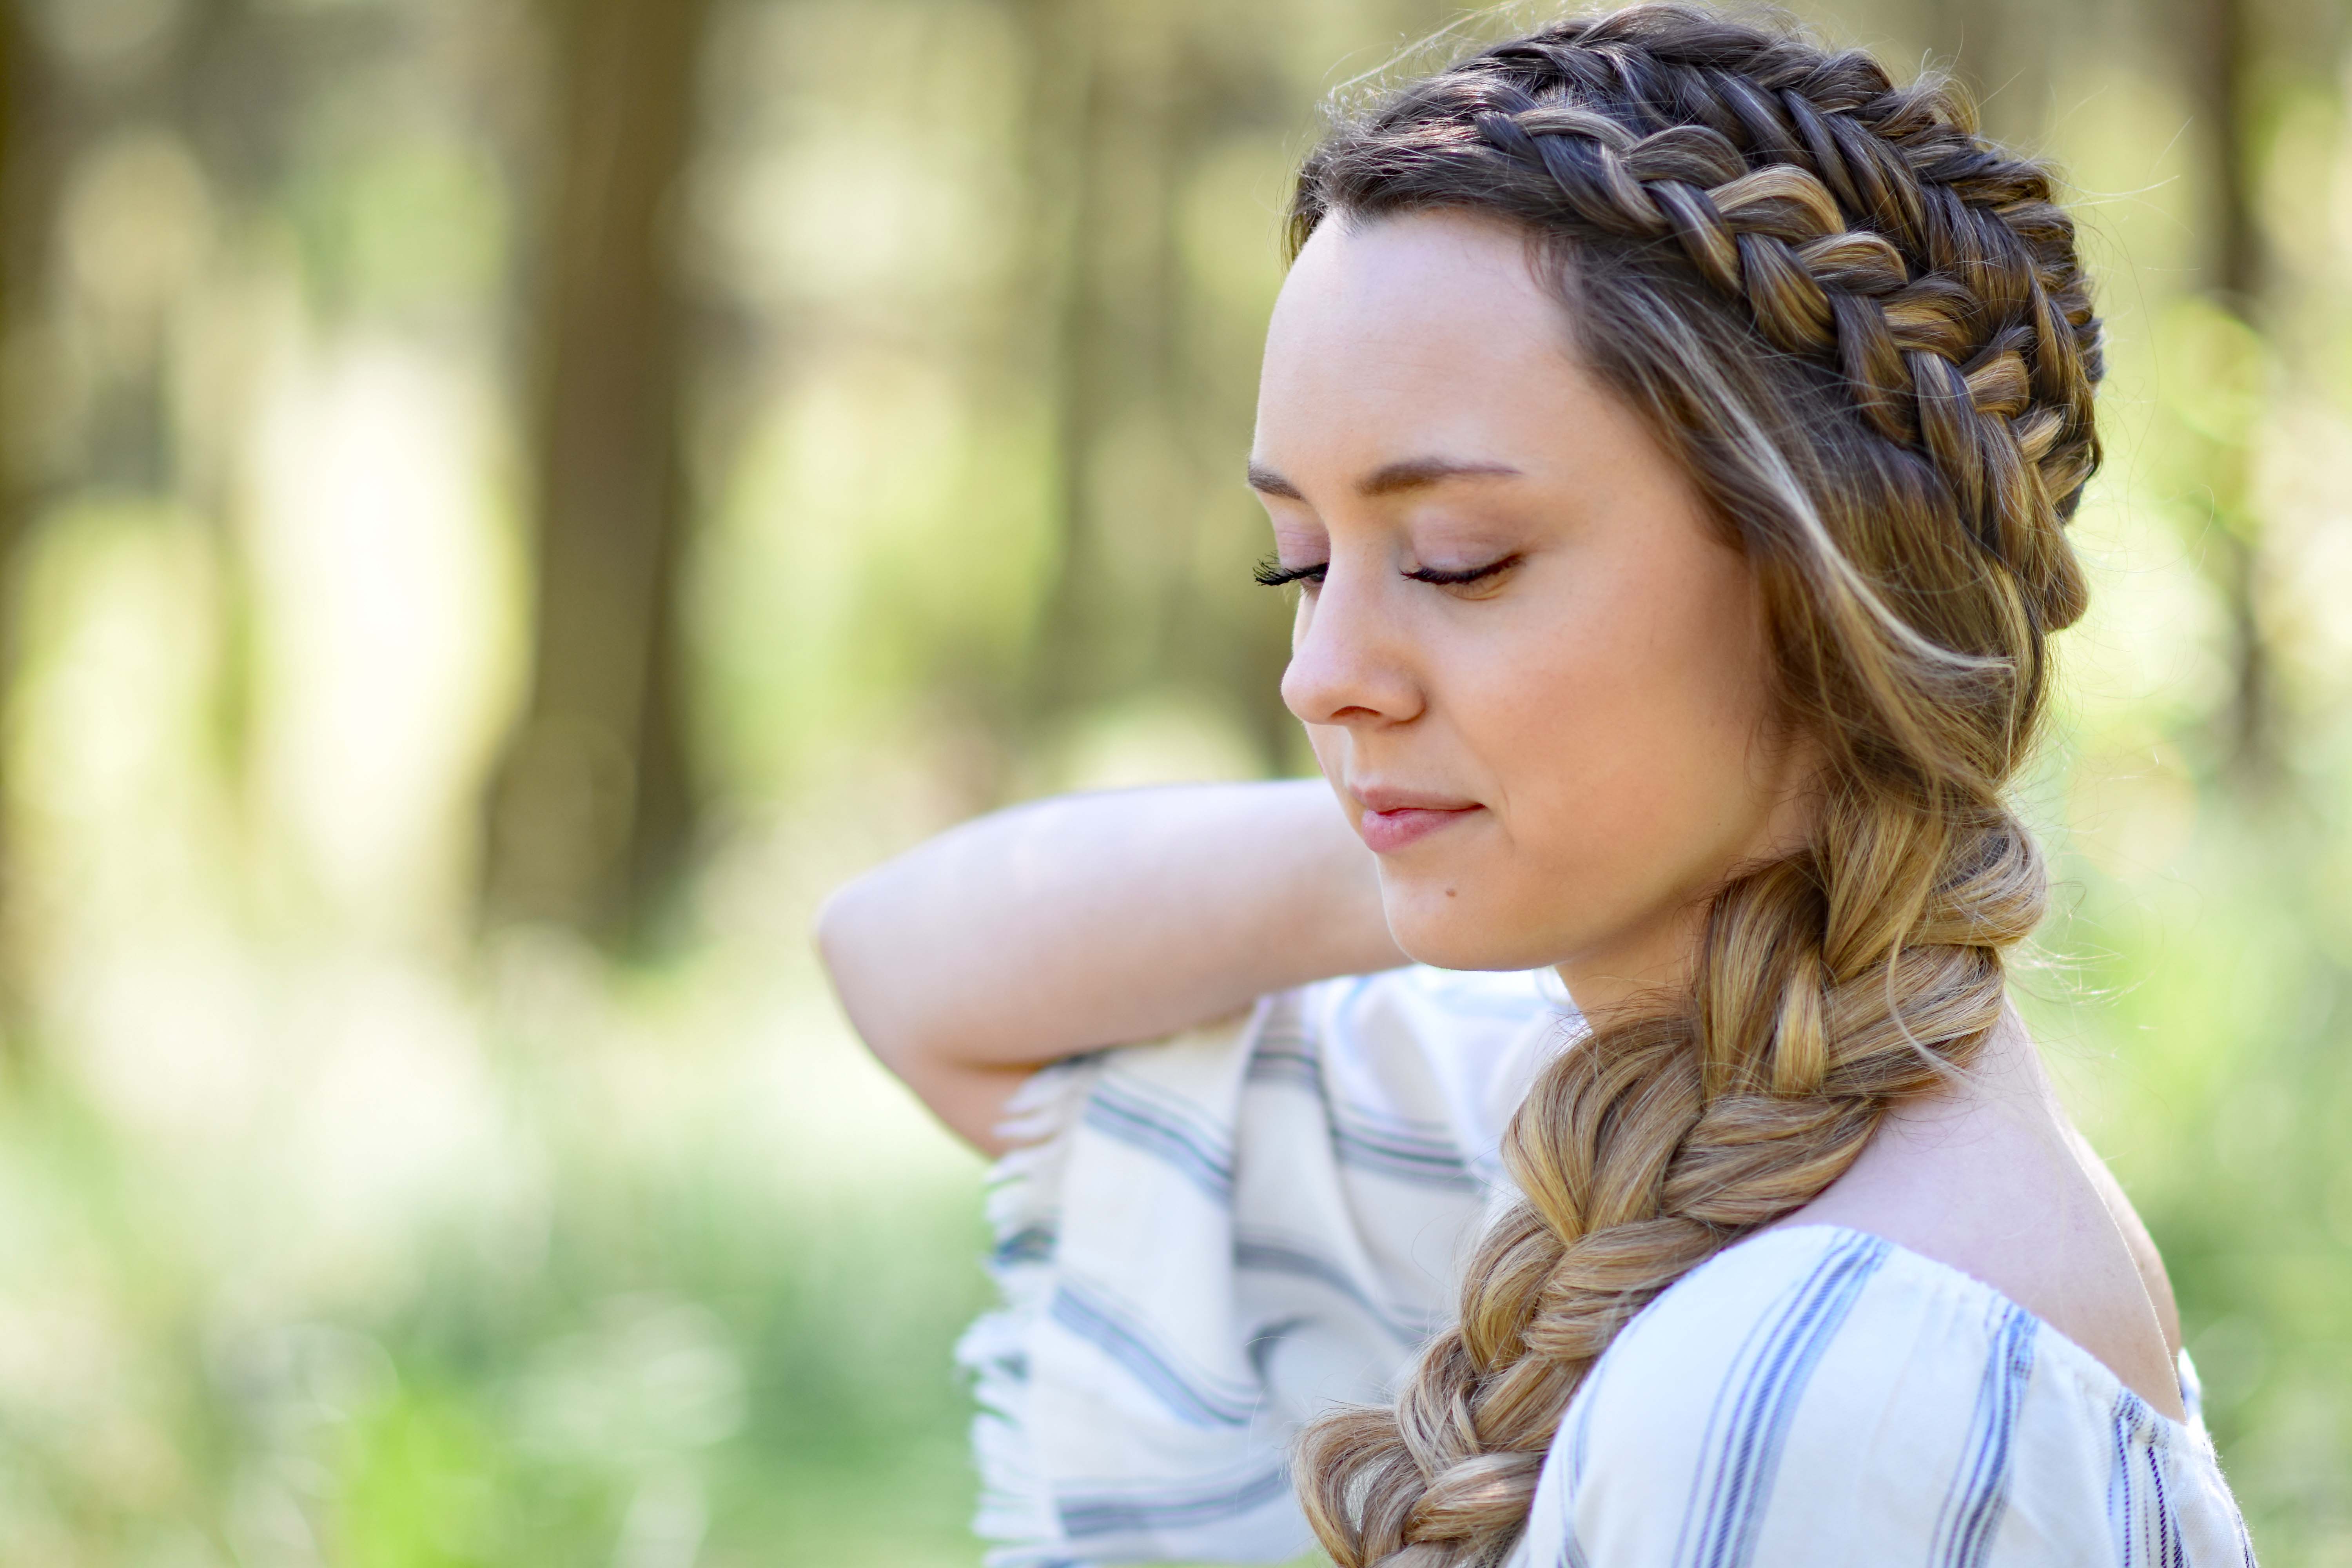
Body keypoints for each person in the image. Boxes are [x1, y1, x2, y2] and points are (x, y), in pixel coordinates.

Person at [818, 7, 2257, 1564]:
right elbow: (914, 963)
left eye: (1458, 561)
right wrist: (1430, 816)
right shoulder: (1648, 1109)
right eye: (1299, 563)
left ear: (1819, 581)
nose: (1322, 672)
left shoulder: (1810, 1394)